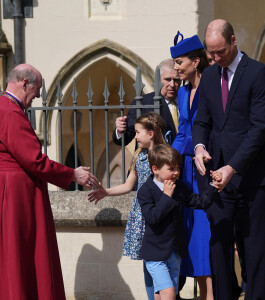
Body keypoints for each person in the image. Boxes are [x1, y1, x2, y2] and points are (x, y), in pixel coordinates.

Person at [192, 19, 265, 300]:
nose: (215, 58)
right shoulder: (208, 79)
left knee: (253, 252)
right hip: (217, 179)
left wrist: (233, 166)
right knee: (218, 248)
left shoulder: (257, 73)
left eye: (220, 52)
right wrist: (200, 147)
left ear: (233, 42)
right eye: (210, 53)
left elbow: (258, 128)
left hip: (252, 178)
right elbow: (201, 121)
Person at [0, 64, 98, 300]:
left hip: (11, 191)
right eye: (37, 89)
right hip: (18, 196)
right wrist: (72, 175)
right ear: (25, 83)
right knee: (20, 255)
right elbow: (34, 159)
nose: (37, 96)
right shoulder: (11, 112)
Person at [89, 112, 166, 300]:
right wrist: (105, 192)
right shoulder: (139, 155)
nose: (135, 136)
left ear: (151, 134)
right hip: (141, 216)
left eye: (138, 132)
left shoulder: (165, 156)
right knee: (148, 265)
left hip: (160, 213)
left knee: (161, 264)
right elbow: (128, 185)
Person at [137, 144, 221, 300]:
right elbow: (152, 218)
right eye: (171, 169)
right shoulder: (145, 191)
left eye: (178, 168)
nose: (176, 172)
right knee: (168, 293)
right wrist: (166, 197)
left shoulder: (179, 186)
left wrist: (213, 185)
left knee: (163, 295)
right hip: (155, 254)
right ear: (155, 169)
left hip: (175, 253)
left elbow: (199, 202)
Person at [170, 32, 213, 299]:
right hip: (185, 170)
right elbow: (183, 131)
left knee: (204, 234)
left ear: (196, 61)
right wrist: (167, 158)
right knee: (190, 233)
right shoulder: (183, 91)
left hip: (206, 167)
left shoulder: (212, 85)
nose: (175, 68)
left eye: (179, 62)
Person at [112, 59, 180, 146]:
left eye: (176, 80)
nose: (172, 84)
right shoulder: (143, 102)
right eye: (167, 79)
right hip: (154, 158)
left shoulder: (187, 99)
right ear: (158, 80)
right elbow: (126, 137)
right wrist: (120, 130)